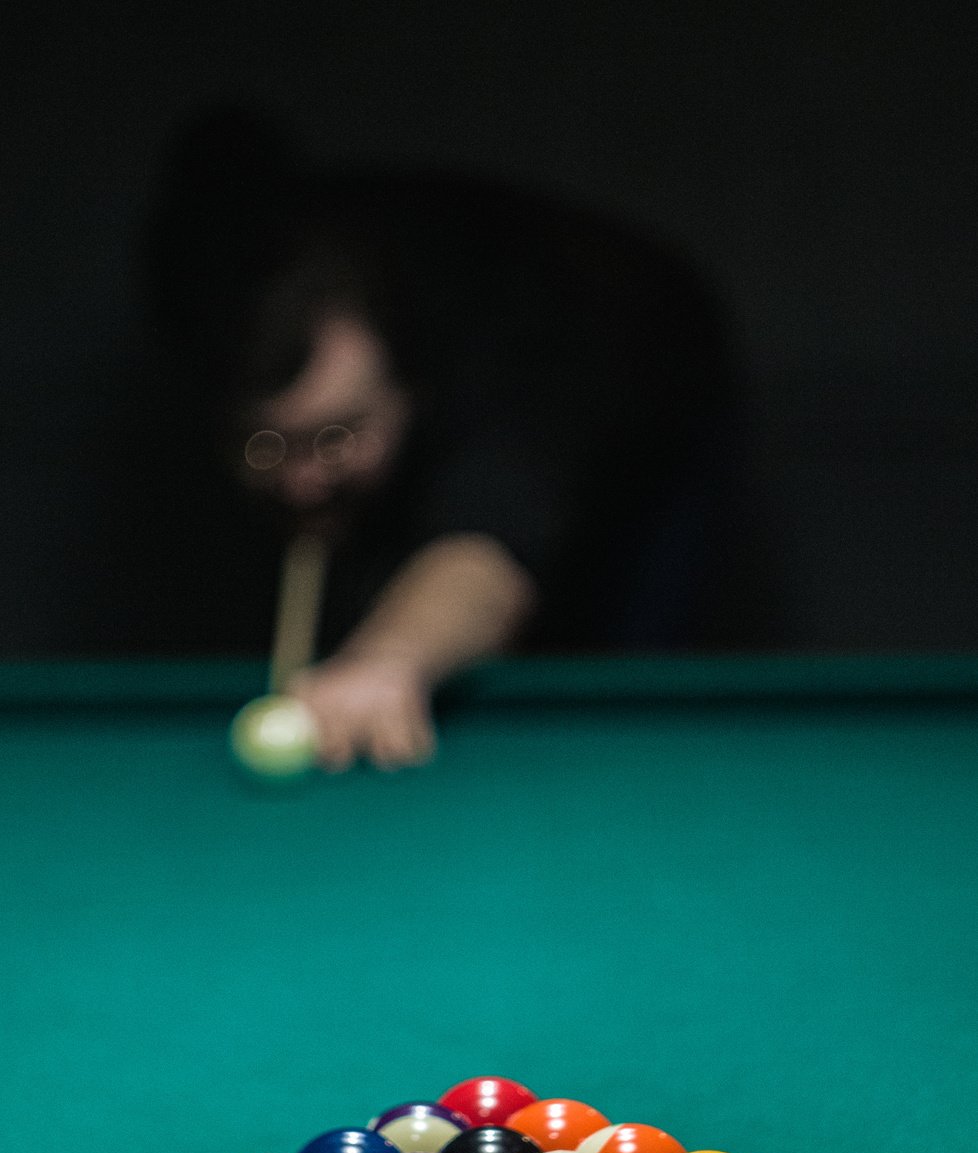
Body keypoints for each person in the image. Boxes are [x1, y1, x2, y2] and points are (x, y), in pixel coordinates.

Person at [144, 107, 738, 770]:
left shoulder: (511, 346)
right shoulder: (208, 292)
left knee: (623, 646)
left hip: (655, 389)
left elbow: (486, 545)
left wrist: (388, 658)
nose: (301, 479)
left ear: (413, 391)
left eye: (335, 436)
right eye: (266, 447)